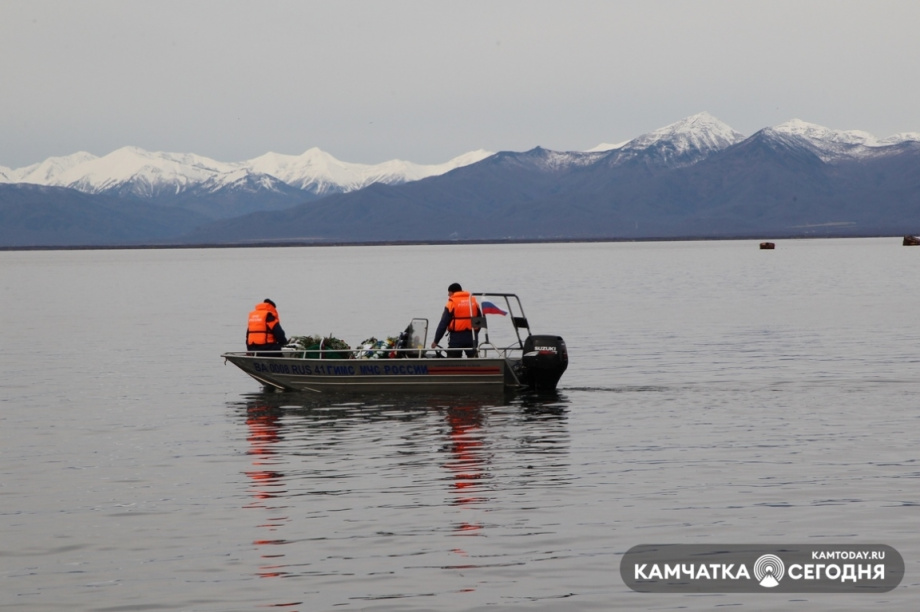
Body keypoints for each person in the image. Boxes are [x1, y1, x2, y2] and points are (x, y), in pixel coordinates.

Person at [431, 283, 481, 358]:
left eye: (449, 292)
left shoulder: (451, 303)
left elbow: (443, 323)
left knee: (453, 360)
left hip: (456, 338)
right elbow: (480, 320)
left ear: (452, 292)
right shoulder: (473, 302)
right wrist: (475, 332)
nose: (448, 294)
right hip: (472, 337)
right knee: (474, 359)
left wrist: (436, 341)